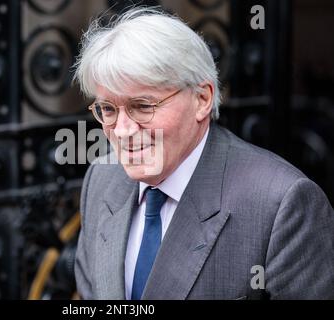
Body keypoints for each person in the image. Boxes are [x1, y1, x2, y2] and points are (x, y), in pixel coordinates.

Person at [72, 7, 334, 300]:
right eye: (107, 109)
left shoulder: (281, 204)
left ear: (202, 99)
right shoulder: (101, 179)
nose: (121, 130)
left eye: (143, 106)